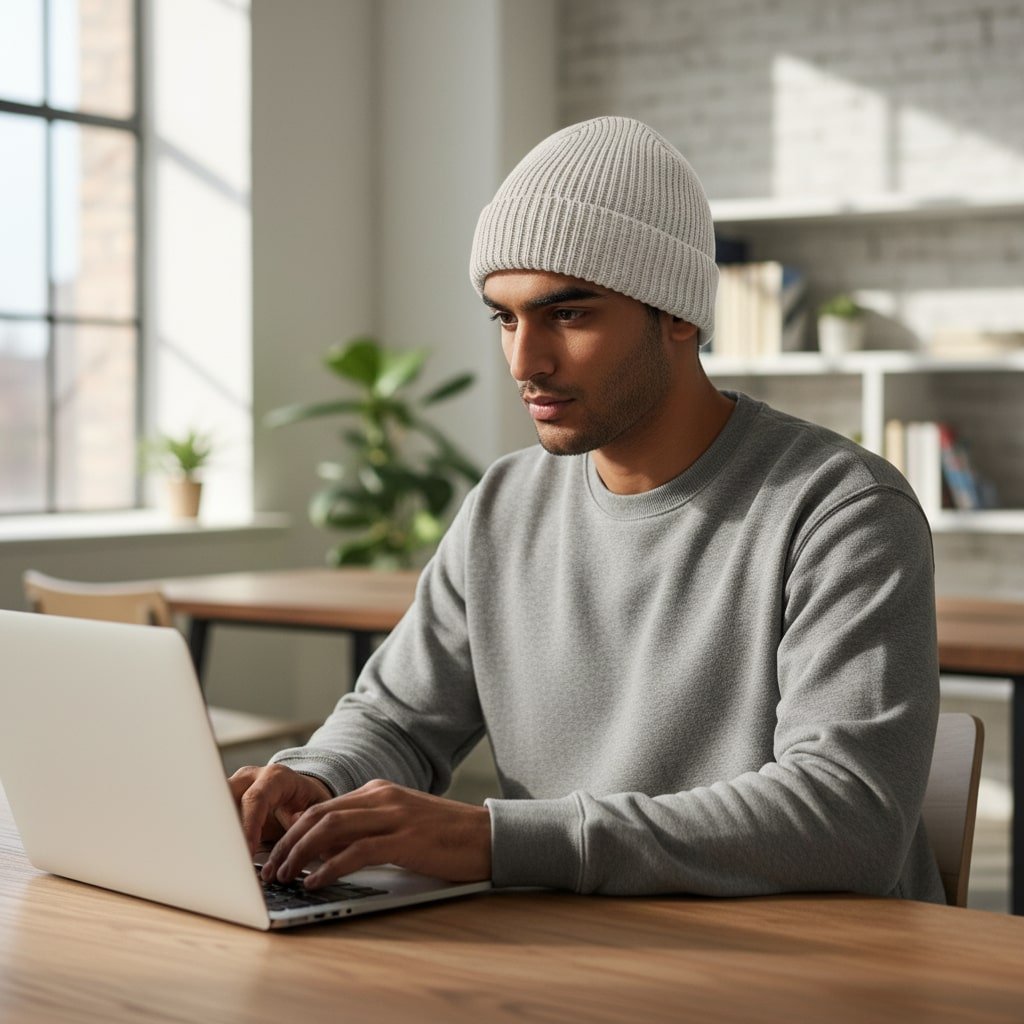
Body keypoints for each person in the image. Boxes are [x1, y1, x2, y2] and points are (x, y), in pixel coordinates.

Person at [232, 116, 945, 903]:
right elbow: (398, 720)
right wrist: (316, 779)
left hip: (806, 958)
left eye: (567, 314)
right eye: (505, 317)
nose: (524, 361)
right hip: (578, 940)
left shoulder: (843, 508)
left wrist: (493, 840)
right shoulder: (505, 504)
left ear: (678, 313)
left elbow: (849, 818)